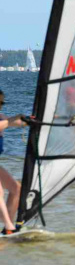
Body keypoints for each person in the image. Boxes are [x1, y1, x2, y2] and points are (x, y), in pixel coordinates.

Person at [0, 89, 24, 235]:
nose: (0, 105)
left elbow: (16, 122)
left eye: (2, 103)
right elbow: (6, 123)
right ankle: (10, 226)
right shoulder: (3, 121)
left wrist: (36, 119)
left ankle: (7, 229)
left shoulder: (2, 117)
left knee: (17, 189)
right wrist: (10, 121)